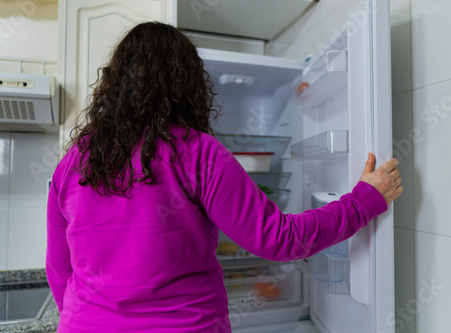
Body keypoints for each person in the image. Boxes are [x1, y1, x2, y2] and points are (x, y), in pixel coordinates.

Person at [46, 22, 403, 333]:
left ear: (115, 83)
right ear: (186, 84)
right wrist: (363, 200)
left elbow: (59, 269)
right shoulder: (197, 152)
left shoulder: (74, 162)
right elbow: (279, 240)